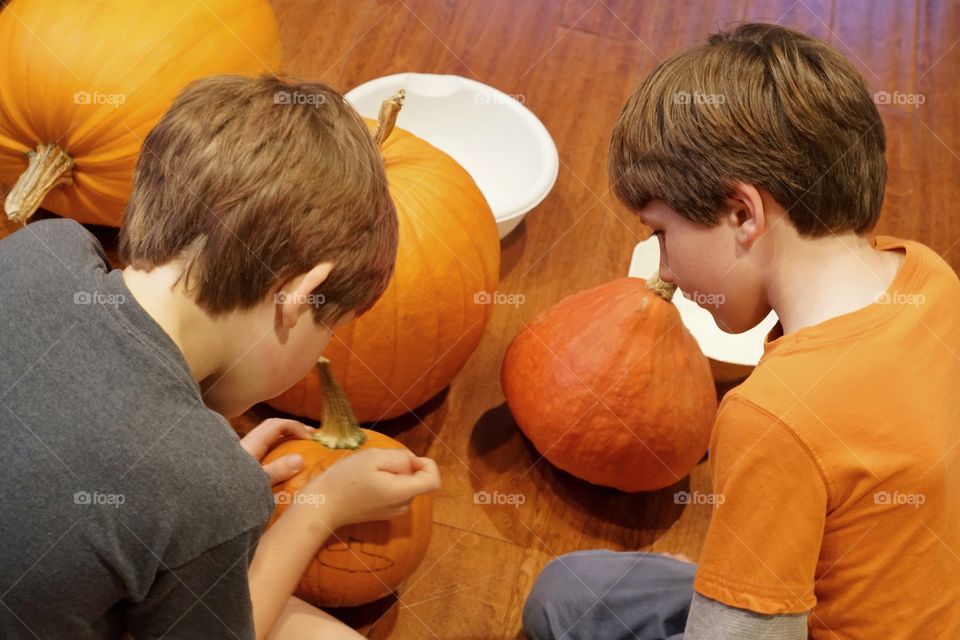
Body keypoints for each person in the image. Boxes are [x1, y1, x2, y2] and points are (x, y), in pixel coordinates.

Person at [523, 22, 960, 640]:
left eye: (661, 233)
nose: (665, 267)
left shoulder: (772, 418)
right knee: (573, 587)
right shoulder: (927, 274)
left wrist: (722, 608)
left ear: (741, 213)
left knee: (559, 605)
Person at [0, 74, 440, 639]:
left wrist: (203, 476)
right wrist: (316, 511)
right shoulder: (205, 489)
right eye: (331, 330)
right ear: (300, 297)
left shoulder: (45, 246)